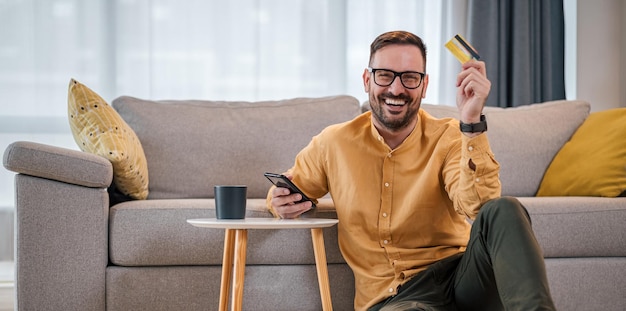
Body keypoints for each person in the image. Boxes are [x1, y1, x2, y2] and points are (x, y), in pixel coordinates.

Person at [267, 30, 555, 311]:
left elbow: (478, 207)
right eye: (384, 75)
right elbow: (289, 187)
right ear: (367, 79)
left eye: (410, 77)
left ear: (424, 85)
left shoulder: (451, 135)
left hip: (461, 279)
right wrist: (278, 201)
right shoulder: (334, 143)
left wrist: (471, 121)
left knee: (503, 209)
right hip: (395, 299)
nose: (396, 89)